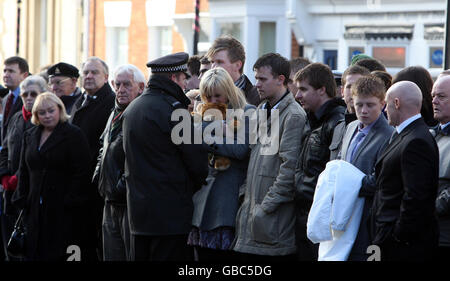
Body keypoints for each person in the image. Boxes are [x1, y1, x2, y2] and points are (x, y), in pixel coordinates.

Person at [122, 52, 208, 261]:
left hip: (138, 213)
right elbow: (197, 164)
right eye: (183, 78)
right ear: (173, 78)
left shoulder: (134, 107)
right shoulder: (175, 111)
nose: (185, 83)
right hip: (170, 216)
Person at [232, 53, 307, 261]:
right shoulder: (260, 110)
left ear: (281, 79)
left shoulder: (293, 116)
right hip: (252, 217)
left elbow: (288, 170)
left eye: (262, 79)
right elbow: (252, 159)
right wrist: (244, 196)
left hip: (273, 224)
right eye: (256, 78)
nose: (257, 84)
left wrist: (264, 207)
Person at [11, 92, 91, 260]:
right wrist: (22, 199)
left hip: (62, 211)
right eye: (42, 112)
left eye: (51, 111)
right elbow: (24, 169)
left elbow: (82, 171)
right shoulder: (31, 135)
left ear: (59, 110)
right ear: (36, 115)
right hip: (34, 210)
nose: (47, 116)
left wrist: (70, 200)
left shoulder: (73, 134)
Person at [188, 67, 255, 261]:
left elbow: (240, 150)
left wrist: (207, 136)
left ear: (229, 92)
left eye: (218, 96)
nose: (213, 101)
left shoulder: (247, 112)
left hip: (229, 200)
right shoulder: (201, 113)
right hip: (201, 200)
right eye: (207, 96)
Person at [371, 81, 439, 261]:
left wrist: (397, 235)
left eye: (386, 103)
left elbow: (416, 196)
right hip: (390, 237)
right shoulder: (408, 135)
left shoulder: (416, 140)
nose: (384, 110)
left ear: (397, 103)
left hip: (402, 246)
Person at [93, 64, 145, 261]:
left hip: (128, 202)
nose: (120, 90)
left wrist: (120, 186)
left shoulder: (139, 113)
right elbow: (103, 146)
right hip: (109, 198)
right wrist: (99, 177)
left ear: (140, 87)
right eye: (117, 84)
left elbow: (139, 157)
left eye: (127, 85)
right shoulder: (114, 112)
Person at [294, 62, 345, 261]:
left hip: (320, 220)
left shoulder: (336, 123)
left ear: (322, 90)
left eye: (303, 90)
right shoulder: (311, 119)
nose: (298, 96)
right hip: (304, 215)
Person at [339, 76, 393, 260]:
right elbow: (341, 162)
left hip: (368, 219)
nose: (363, 111)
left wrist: (346, 186)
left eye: (370, 105)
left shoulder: (389, 135)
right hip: (344, 214)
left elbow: (380, 179)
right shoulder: (351, 127)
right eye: (358, 104)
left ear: (383, 103)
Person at [69, 56, 115, 260]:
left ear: (106, 77)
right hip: (77, 183)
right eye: (85, 72)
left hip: (95, 186)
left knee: (91, 243)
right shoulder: (81, 100)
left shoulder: (109, 103)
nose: (88, 76)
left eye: (94, 72)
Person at [0, 75, 47, 261]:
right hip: (10, 193)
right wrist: (4, 176)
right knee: (10, 245)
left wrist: (18, 177)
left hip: (30, 194)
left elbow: (36, 157)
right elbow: (4, 149)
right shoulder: (17, 118)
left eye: (33, 94)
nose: (28, 98)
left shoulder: (45, 121)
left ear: (44, 94)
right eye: (25, 94)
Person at [329, 65, 370, 160]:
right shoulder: (337, 127)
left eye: (358, 86)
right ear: (342, 91)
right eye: (349, 87)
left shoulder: (374, 127)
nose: (353, 91)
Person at [206, 35, 260, 106]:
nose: (213, 67)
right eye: (212, 62)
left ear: (237, 65)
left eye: (219, 62)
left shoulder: (258, 97)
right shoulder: (204, 96)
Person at [430, 75, 450, 259]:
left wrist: (427, 209)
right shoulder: (430, 134)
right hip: (427, 234)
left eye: (441, 96)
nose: (434, 101)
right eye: (433, 95)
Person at [2, 56, 29, 145]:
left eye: (11, 71)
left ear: (24, 75)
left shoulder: (29, 99)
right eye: (5, 71)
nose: (6, 75)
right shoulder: (6, 98)